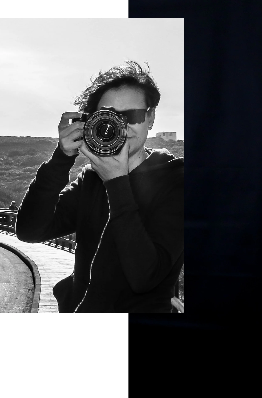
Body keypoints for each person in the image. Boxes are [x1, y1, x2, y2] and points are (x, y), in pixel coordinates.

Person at [18, 60, 184, 313]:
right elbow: (30, 231)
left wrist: (116, 183)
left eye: (131, 116)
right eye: (108, 117)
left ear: (150, 118)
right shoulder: (91, 180)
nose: (121, 126)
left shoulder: (178, 181)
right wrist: (61, 158)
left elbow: (145, 278)